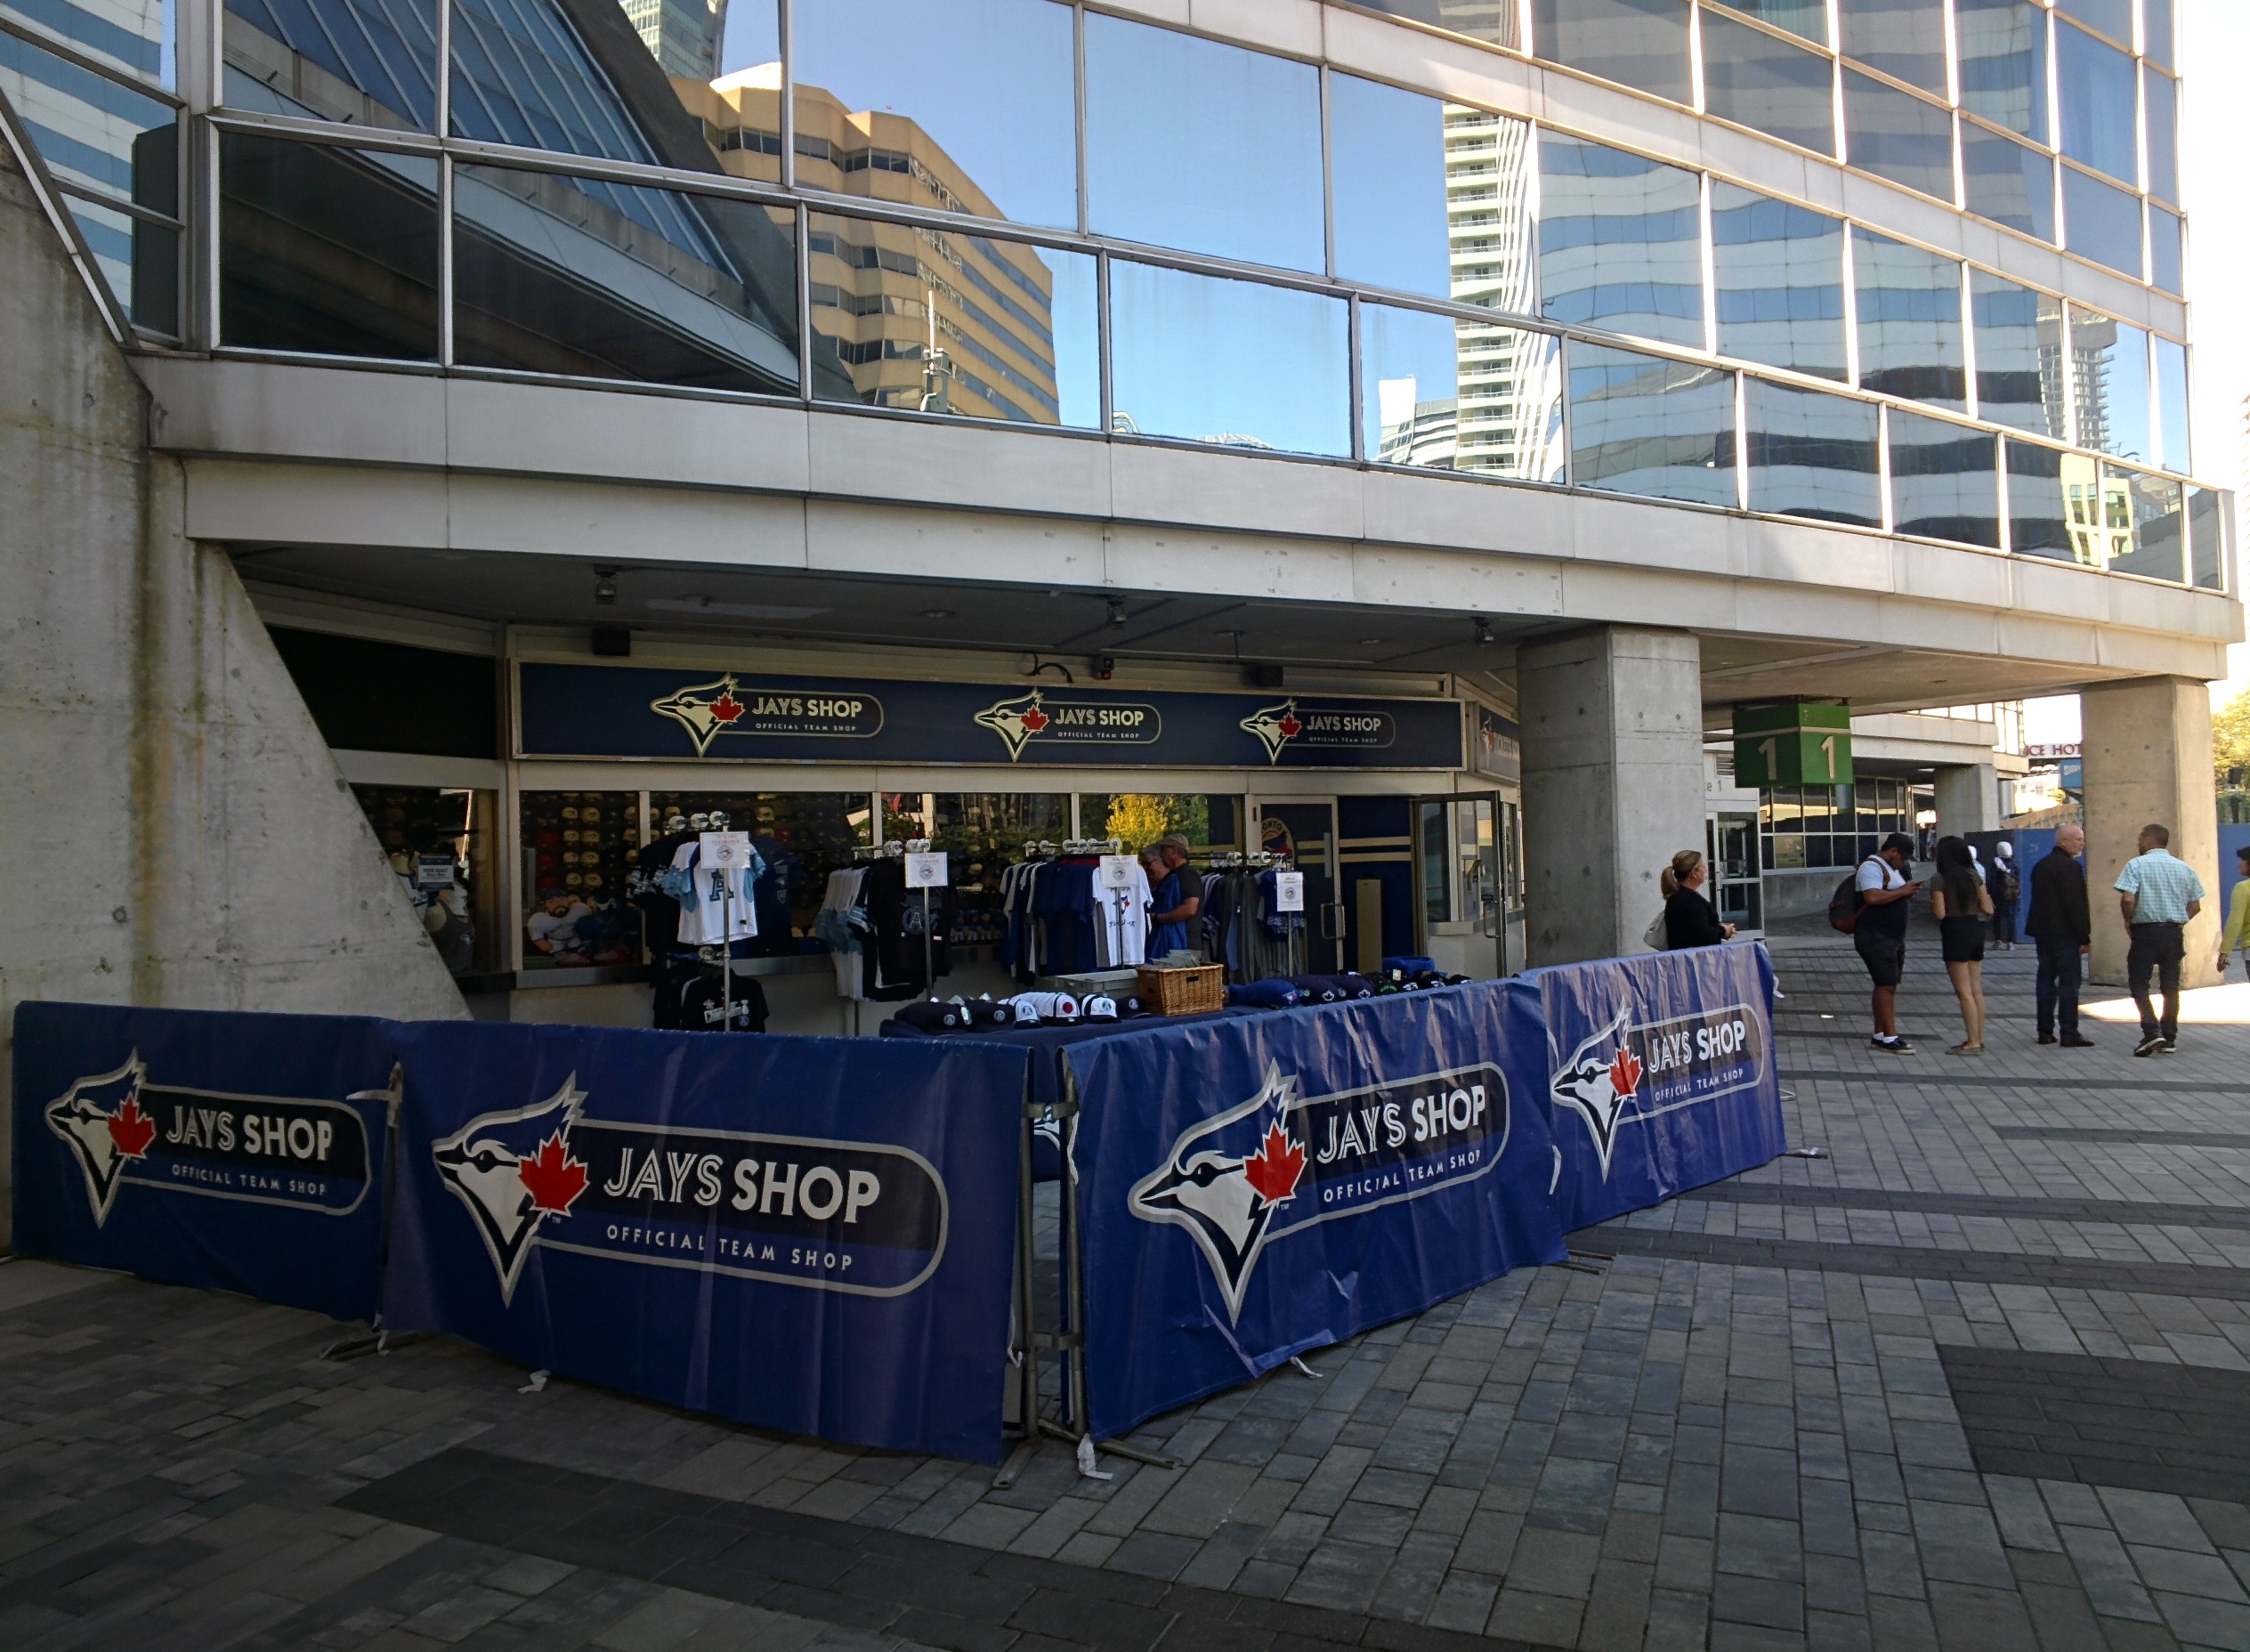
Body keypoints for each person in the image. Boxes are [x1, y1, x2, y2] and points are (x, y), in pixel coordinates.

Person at [2115, 822, 2205, 1057]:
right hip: (2173, 932)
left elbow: (2127, 899)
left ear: (2149, 839)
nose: (2138, 842)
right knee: (2170, 986)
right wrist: (2178, 920)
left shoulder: (2136, 865)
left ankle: (2151, 1030)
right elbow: (2195, 905)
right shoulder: (2184, 868)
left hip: (2145, 931)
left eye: (2140, 838)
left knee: (2139, 982)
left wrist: (2128, 920)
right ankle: (2170, 1037)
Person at [1854, 832, 1922, 1054]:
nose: (1904, 863)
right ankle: (1890, 1037)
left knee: (1887, 985)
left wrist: (1906, 891)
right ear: (1893, 851)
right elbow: (1872, 897)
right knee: (1886, 984)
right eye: (1903, 858)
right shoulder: (1872, 867)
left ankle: (1881, 1033)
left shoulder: (1893, 869)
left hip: (1891, 937)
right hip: (1876, 936)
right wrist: (1902, 891)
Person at [2026, 824, 2093, 1047]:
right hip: (2065, 935)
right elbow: (2076, 906)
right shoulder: (2071, 868)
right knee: (2069, 983)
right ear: (2063, 841)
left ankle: (2044, 1030)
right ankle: (2069, 1031)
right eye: (2078, 839)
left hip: (2043, 933)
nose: (2082, 843)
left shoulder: (2041, 867)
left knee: (2045, 979)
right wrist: (2084, 936)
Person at [1929, 837, 1992, 1055]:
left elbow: (1940, 912)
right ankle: (1979, 1038)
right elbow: (1988, 908)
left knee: (1963, 992)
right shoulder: (1974, 876)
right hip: (1975, 929)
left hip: (1954, 931)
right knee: (1976, 990)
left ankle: (1972, 1041)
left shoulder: (1939, 879)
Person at [1661, 849, 1735, 950]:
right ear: (1694, 873)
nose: (1706, 869)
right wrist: (1723, 931)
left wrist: (1717, 928)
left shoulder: (1682, 897)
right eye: (1702, 866)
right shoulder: (1688, 901)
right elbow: (1702, 935)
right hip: (1693, 960)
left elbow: (1695, 926)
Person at [1148, 833, 1201, 957]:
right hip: (1174, 945)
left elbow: (1189, 909)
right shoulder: (1176, 875)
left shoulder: (1188, 875)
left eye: (1163, 849)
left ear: (1174, 851)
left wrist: (1158, 917)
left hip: (1183, 946)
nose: (1161, 854)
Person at [2218, 846, 2250, 984]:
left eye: (2242, 860)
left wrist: (2224, 952)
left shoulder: (2243, 888)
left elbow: (2235, 922)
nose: (2239, 864)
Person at [1987, 841, 2020, 951]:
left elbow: (1991, 882)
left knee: (1998, 918)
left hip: (1999, 896)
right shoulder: (2014, 864)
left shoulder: (1996, 864)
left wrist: (1991, 894)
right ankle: (2010, 942)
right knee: (2011, 918)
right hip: (2012, 895)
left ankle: (1998, 940)